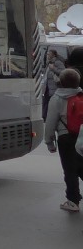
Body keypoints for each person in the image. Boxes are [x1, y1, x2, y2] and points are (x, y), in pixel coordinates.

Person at [45, 67, 83, 211]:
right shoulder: (81, 95)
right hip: (82, 136)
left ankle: (73, 201)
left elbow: (50, 123)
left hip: (66, 137)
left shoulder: (56, 98)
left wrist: (50, 142)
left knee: (70, 170)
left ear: (61, 82)